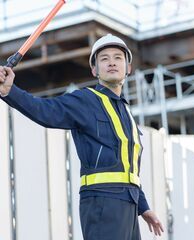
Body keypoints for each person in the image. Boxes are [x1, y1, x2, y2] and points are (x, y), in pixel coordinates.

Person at [0, 34, 164, 240]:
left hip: (128, 205)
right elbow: (46, 111)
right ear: (94, 70)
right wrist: (10, 91)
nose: (112, 62)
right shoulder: (85, 101)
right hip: (102, 203)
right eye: (104, 58)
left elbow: (127, 170)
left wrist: (143, 207)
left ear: (128, 68)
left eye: (118, 58)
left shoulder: (126, 113)